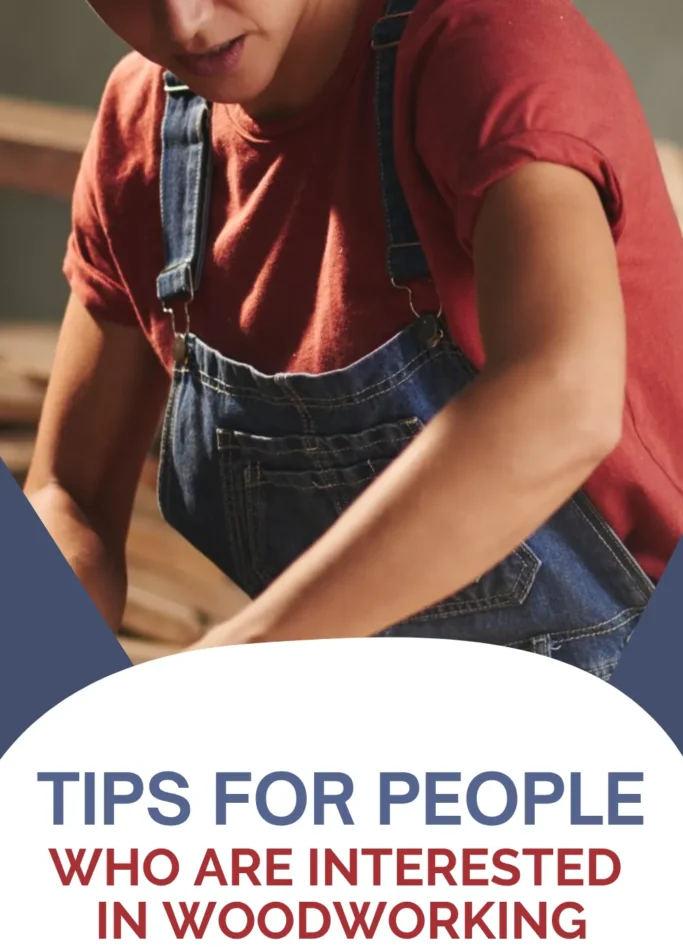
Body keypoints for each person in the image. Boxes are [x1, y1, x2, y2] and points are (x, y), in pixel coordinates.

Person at [25, 0, 683, 679]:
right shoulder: (145, 130)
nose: (184, 21)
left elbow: (562, 402)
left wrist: (236, 664)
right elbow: (71, 493)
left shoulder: (486, 45)